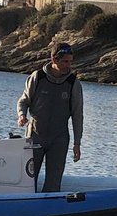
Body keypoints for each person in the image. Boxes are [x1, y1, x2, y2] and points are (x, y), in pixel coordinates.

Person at [17, 41, 84, 192]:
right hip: (35, 136)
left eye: (70, 62)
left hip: (59, 139)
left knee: (53, 184)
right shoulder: (37, 77)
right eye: (65, 61)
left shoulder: (73, 83)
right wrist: (22, 115)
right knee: (28, 180)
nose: (69, 66)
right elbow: (23, 101)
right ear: (54, 60)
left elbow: (77, 115)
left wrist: (77, 143)